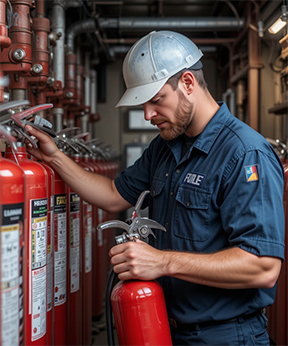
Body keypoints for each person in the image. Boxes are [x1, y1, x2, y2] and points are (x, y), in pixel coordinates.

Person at [25, 31, 285, 346]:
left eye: (156, 100)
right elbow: (111, 195)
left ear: (188, 83)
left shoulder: (245, 153)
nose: (148, 115)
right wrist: (55, 158)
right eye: (143, 103)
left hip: (227, 336)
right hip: (166, 329)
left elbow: (262, 267)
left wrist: (160, 262)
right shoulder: (164, 147)